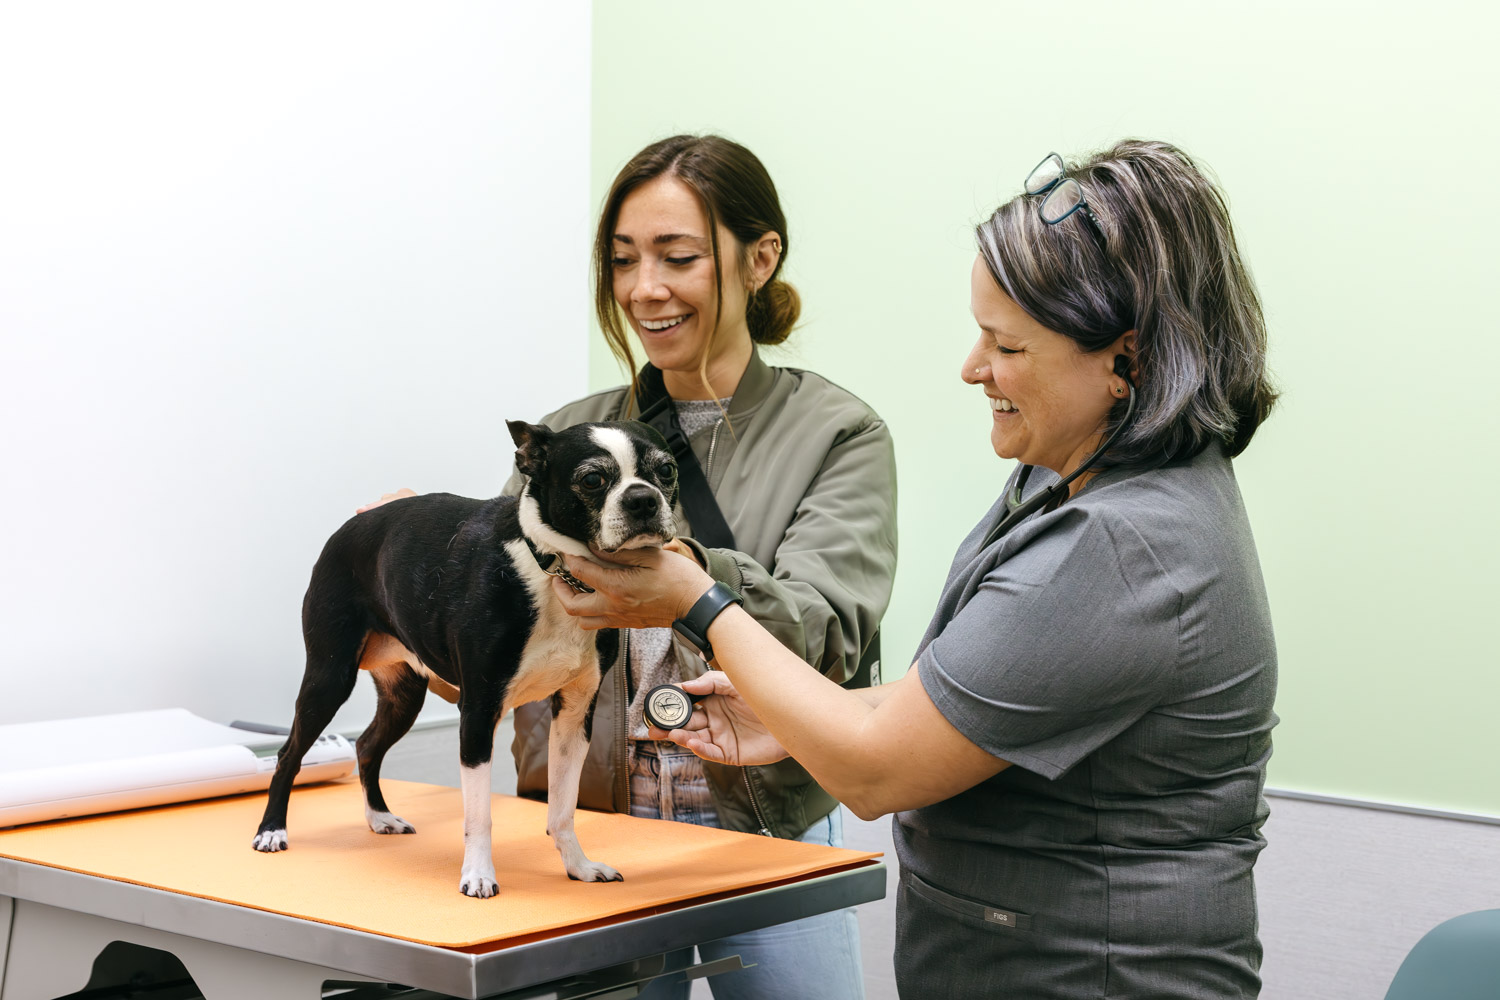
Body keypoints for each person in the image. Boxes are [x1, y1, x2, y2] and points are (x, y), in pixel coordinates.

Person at [545, 140, 1280, 1000]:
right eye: (624, 261)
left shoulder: (1119, 543)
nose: (973, 369)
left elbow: (874, 770)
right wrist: (800, 720)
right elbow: (965, 692)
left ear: (1129, 359)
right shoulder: (1064, 482)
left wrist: (696, 601)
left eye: (1006, 346)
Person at [363, 134, 895, 1000]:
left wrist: (687, 582)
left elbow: (829, 638)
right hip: (583, 833)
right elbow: (494, 669)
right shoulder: (568, 432)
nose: (645, 288)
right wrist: (415, 583)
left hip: (765, 832)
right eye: (622, 260)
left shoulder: (838, 433)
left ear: (761, 259)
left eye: (677, 256)